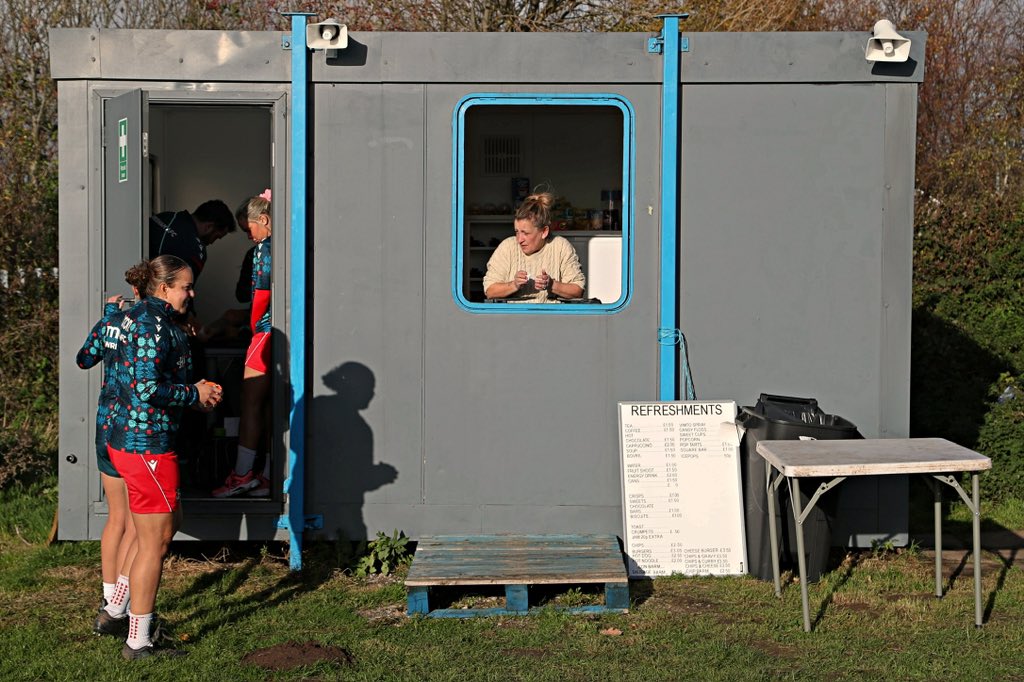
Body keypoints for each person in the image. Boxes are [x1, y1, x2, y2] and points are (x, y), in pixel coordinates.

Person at [106, 255, 223, 660]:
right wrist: (195, 394)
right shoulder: (152, 324)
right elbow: (144, 388)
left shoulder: (142, 316)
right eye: (186, 286)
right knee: (154, 542)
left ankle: (116, 608)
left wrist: (195, 390)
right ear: (164, 288)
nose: (192, 293)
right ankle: (138, 641)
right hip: (146, 446)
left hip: (131, 440)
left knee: (162, 527)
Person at [76, 264, 149, 638]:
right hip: (130, 430)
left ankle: (108, 599)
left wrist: (108, 318)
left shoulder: (114, 321)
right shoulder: (148, 324)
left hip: (105, 424)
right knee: (138, 527)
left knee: (115, 518)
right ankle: (118, 607)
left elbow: (85, 358)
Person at [213, 191, 273, 498]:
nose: (248, 237)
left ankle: (242, 473)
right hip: (282, 332)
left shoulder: (264, 249)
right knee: (276, 406)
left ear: (263, 220)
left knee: (251, 403)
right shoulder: (289, 244)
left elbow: (259, 297)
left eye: (248, 229)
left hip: (264, 332)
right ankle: (268, 473)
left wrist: (250, 329)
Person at [483, 192, 586, 302]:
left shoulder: (560, 247)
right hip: (513, 317)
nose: (519, 239)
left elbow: (578, 290)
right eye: (517, 232)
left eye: (525, 233)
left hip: (553, 317)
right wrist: (514, 285)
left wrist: (552, 285)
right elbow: (490, 291)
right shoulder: (507, 247)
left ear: (544, 232)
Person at [148, 199, 235, 284]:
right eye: (216, 237)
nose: (212, 242)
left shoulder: (164, 216)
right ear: (208, 227)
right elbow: (182, 291)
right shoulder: (196, 250)